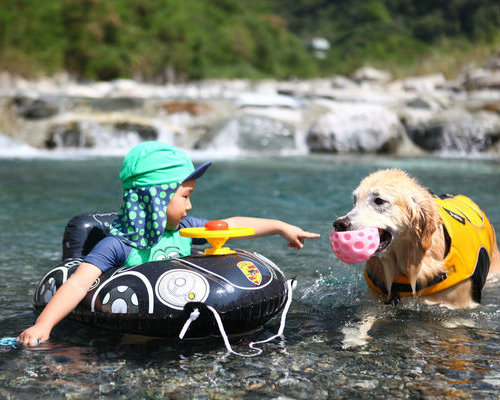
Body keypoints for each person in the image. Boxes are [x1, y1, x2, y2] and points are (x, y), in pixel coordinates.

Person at [18, 141, 320, 346]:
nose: (189, 207)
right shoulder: (118, 245)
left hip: (190, 316)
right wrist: (43, 327)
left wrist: (280, 227)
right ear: (155, 198)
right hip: (139, 331)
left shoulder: (185, 228)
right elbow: (78, 285)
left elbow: (232, 224)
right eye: (185, 196)